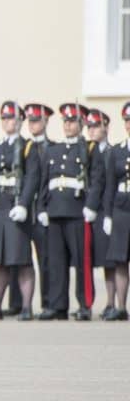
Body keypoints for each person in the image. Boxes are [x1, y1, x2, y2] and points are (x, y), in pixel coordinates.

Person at [37, 103, 104, 321]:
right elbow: (44, 182)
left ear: (82, 123)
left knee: (82, 261)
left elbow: (96, 179)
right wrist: (42, 208)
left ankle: (85, 304)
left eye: (72, 121)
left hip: (78, 211)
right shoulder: (53, 150)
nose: (68, 125)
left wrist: (91, 206)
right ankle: (57, 306)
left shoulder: (89, 149)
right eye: (65, 121)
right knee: (56, 262)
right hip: (55, 211)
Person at [0, 102, 40, 320]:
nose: (8, 122)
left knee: (22, 259)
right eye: (4, 118)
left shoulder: (27, 147)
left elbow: (32, 177)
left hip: (16, 206)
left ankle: (26, 307)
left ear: (21, 120)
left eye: (12, 118)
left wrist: (23, 204)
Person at [24, 103, 55, 311]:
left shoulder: (53, 148)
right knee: (19, 259)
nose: (33, 124)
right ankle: (19, 304)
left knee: (46, 260)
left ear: (46, 121)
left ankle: (47, 302)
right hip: (24, 211)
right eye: (30, 120)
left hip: (43, 210)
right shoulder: (22, 147)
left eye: (36, 120)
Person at [85, 109, 116, 319]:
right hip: (90, 212)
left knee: (110, 262)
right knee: (93, 260)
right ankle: (90, 303)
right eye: (89, 126)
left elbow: (106, 185)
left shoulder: (112, 152)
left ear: (105, 126)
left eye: (96, 126)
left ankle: (112, 302)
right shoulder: (87, 151)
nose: (92, 130)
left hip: (105, 211)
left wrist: (102, 211)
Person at [102, 102, 130, 321]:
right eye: (127, 121)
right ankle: (121, 307)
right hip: (121, 208)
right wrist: (108, 215)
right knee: (120, 260)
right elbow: (109, 185)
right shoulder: (117, 151)